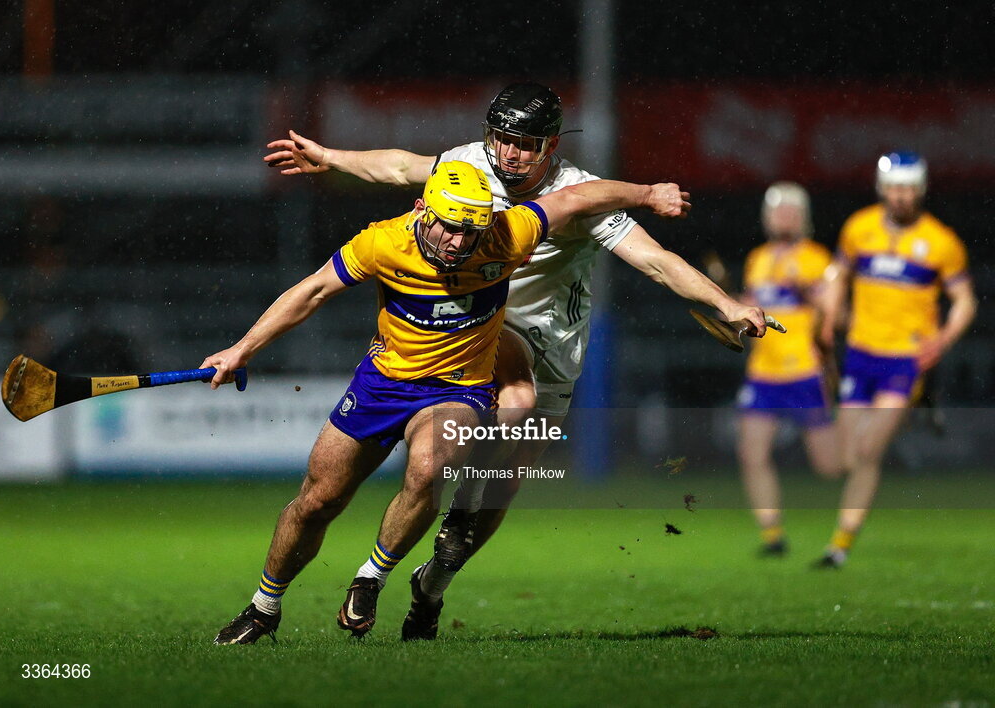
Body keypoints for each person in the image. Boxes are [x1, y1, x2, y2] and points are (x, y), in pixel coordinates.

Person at [264, 82, 766, 640]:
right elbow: (403, 166)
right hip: (488, 330)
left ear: (551, 144)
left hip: (557, 344)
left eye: (525, 143)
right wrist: (330, 157)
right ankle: (438, 522)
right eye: (501, 138)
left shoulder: (578, 192)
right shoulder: (468, 168)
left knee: (502, 486)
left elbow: (654, 260)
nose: (509, 153)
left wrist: (727, 304)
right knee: (510, 404)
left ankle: (433, 584)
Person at [817, 152, 977, 567]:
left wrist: (942, 340)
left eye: (908, 188)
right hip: (861, 355)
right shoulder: (859, 228)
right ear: (881, 188)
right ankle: (920, 409)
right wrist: (829, 313)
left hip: (907, 360)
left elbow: (964, 301)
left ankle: (839, 546)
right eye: (894, 188)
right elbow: (838, 274)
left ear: (920, 190)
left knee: (869, 452)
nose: (901, 196)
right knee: (847, 457)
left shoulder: (941, 241)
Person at [735, 182, 842, 557]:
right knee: (752, 454)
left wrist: (809, 290)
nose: (783, 216)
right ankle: (773, 536)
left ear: (803, 217)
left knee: (829, 466)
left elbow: (836, 312)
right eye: (777, 210)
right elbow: (753, 314)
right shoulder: (757, 259)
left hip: (805, 371)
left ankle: (868, 448)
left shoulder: (818, 258)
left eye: (791, 210)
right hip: (764, 373)